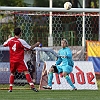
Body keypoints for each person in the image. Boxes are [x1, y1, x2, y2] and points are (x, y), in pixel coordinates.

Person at [3, 27, 40, 92]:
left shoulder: (10, 40)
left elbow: (4, 45)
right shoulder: (21, 41)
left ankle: (10, 88)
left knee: (12, 73)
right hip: (20, 60)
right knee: (26, 72)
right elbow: (30, 48)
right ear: (20, 33)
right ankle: (32, 86)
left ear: (14, 33)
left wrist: (8, 39)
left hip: (12, 60)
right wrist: (36, 44)